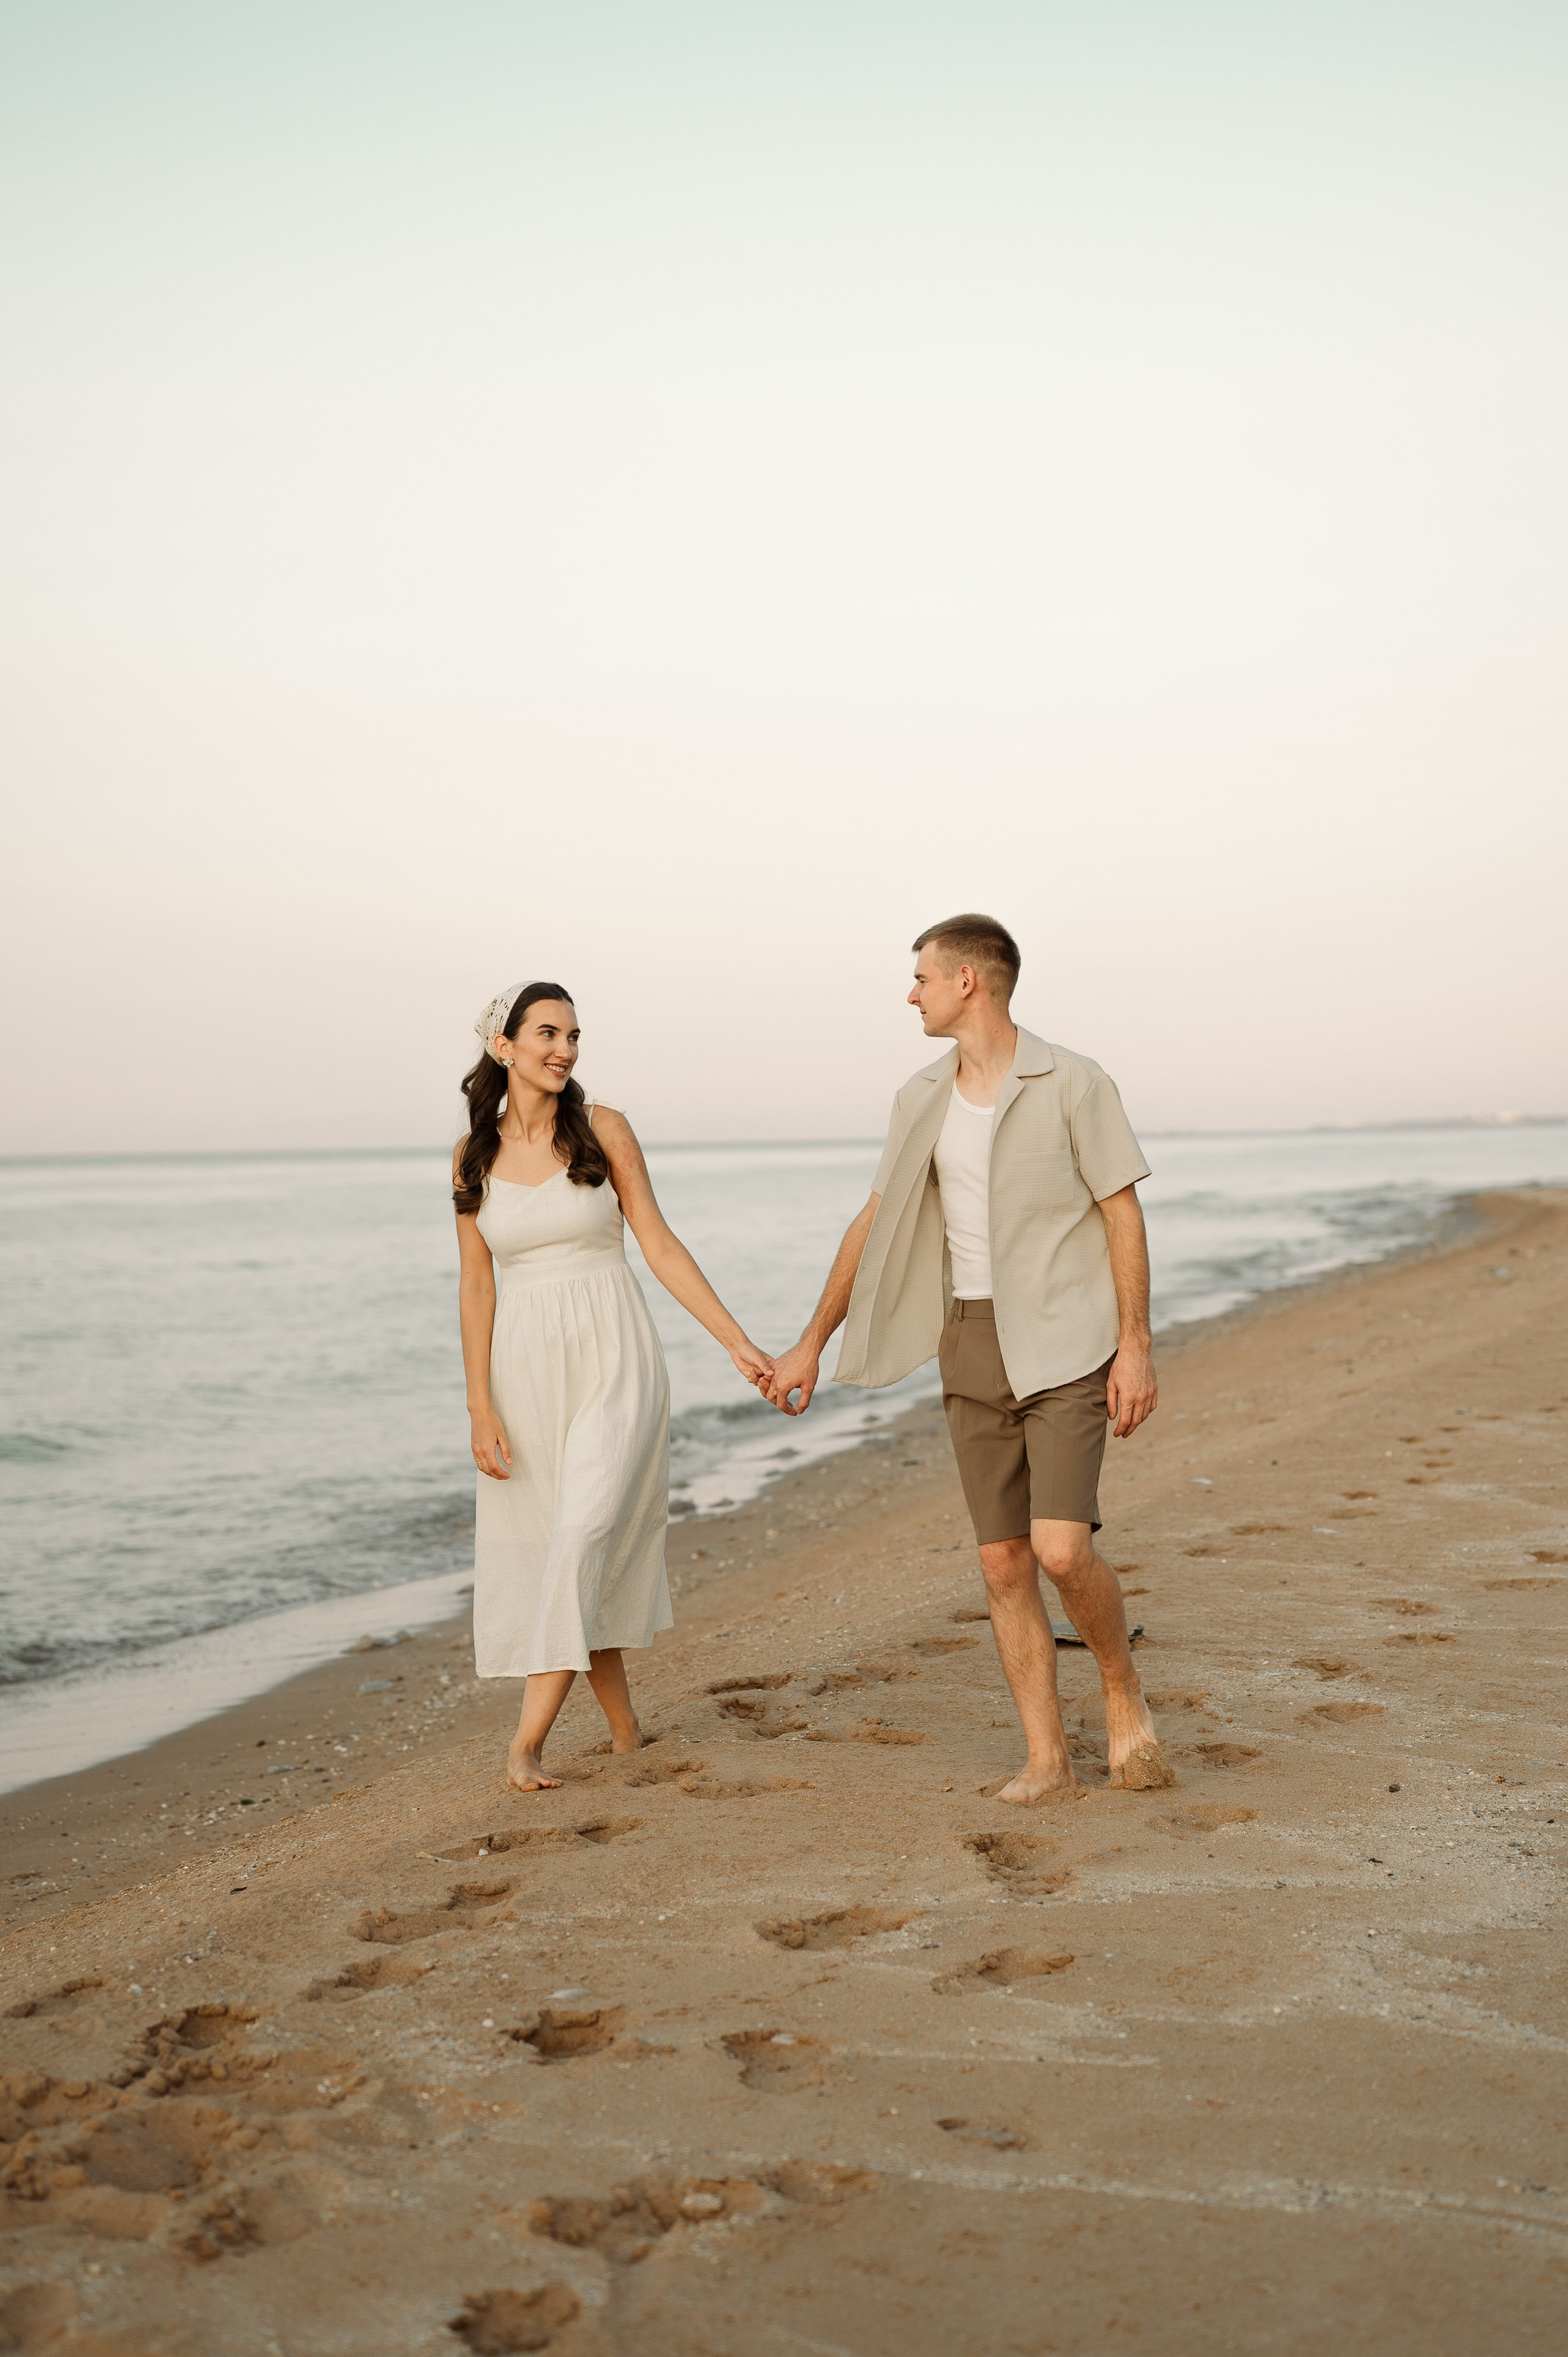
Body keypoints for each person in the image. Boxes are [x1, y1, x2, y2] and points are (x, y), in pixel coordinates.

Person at [763, 915, 1171, 1800]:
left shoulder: (1073, 1081)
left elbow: (1122, 1213)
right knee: (1002, 1564)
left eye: (921, 978)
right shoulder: (920, 1097)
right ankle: (1047, 1760)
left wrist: (1135, 1346)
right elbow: (874, 1221)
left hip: (1066, 1343)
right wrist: (810, 1342)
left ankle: (1120, 1687)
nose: (910, 994)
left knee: (1063, 1552)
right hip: (970, 1344)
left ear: (968, 983)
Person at [454, 981, 773, 1791]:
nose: (564, 1050)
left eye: (573, 1036)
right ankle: (628, 1731)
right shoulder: (472, 1156)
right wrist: (479, 1407)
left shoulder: (604, 1129)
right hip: (524, 1376)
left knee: (583, 1536)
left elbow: (659, 1245)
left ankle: (525, 1743)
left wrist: (736, 1343)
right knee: (564, 1547)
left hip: (614, 1359)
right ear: (505, 1047)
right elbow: (477, 1288)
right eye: (547, 1034)